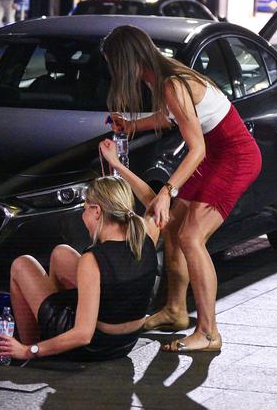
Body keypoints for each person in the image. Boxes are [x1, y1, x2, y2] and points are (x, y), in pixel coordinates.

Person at [102, 25, 262, 352]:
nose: (115, 73)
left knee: (191, 237)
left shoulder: (171, 83)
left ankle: (208, 333)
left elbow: (197, 148)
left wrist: (167, 190)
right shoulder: (161, 77)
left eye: (115, 64)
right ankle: (175, 311)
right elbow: (172, 118)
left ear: (130, 60)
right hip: (218, 153)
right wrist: (134, 125)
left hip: (235, 155)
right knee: (175, 228)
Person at [0, 174, 160, 361]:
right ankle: (50, 334)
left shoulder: (94, 259)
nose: (83, 215)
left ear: (97, 211)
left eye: (85, 208)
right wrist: (117, 165)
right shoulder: (146, 233)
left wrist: (28, 350)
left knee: (21, 265)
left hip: (96, 346)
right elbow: (154, 202)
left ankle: (31, 347)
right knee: (61, 253)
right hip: (127, 342)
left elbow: (83, 335)